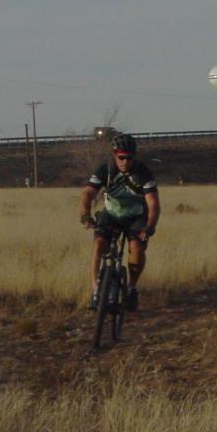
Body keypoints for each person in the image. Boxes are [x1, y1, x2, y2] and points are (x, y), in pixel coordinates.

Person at [79, 133, 160, 311]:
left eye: (129, 158)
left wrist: (150, 226)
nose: (125, 161)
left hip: (136, 217)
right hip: (111, 215)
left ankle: (131, 288)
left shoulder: (143, 173)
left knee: (137, 250)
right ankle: (95, 292)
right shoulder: (105, 170)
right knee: (99, 246)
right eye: (121, 157)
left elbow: (153, 204)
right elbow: (88, 194)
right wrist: (85, 215)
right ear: (114, 155)